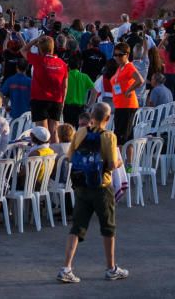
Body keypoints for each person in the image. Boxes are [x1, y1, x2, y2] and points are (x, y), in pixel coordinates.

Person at [57, 102, 126, 284]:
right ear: (107, 118)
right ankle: (111, 268)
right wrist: (119, 162)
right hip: (101, 186)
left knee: (77, 227)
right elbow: (111, 165)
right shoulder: (109, 137)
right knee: (108, 227)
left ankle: (66, 267)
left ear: (91, 116)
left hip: (81, 186)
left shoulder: (80, 132)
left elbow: (70, 157)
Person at [26, 34, 68, 143]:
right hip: (57, 100)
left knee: (42, 133)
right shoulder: (62, 64)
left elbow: (23, 49)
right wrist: (62, 102)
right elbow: (65, 85)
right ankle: (55, 157)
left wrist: (35, 40)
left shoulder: (38, 60)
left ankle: (44, 158)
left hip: (40, 99)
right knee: (54, 132)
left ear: (40, 48)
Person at [107, 42, 144, 145]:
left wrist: (129, 90)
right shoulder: (120, 68)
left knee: (121, 138)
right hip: (120, 105)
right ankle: (128, 160)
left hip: (126, 105)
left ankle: (122, 160)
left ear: (127, 55)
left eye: (120, 55)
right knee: (126, 137)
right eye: (115, 55)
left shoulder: (129, 67)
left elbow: (140, 80)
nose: (117, 57)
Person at [63, 54, 95, 127]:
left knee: (68, 130)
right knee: (80, 130)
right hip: (80, 108)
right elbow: (94, 91)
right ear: (80, 65)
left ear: (68, 65)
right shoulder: (84, 77)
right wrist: (90, 104)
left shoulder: (66, 75)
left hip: (68, 107)